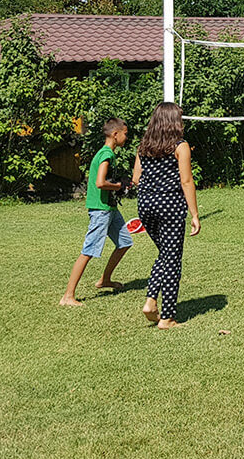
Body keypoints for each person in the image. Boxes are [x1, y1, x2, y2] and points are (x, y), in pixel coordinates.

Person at [132, 102, 200, 328]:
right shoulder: (180, 146)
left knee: (165, 254)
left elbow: (136, 180)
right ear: (173, 122)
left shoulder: (143, 147)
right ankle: (167, 316)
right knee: (172, 260)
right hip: (170, 206)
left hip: (146, 206)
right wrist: (195, 214)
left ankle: (151, 301)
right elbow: (186, 181)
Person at [60, 118, 134, 306]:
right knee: (89, 251)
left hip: (110, 208)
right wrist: (119, 186)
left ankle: (105, 280)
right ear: (115, 134)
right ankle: (68, 296)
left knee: (124, 242)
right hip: (101, 211)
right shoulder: (106, 154)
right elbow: (100, 182)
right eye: (125, 133)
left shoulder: (107, 153)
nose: (127, 137)